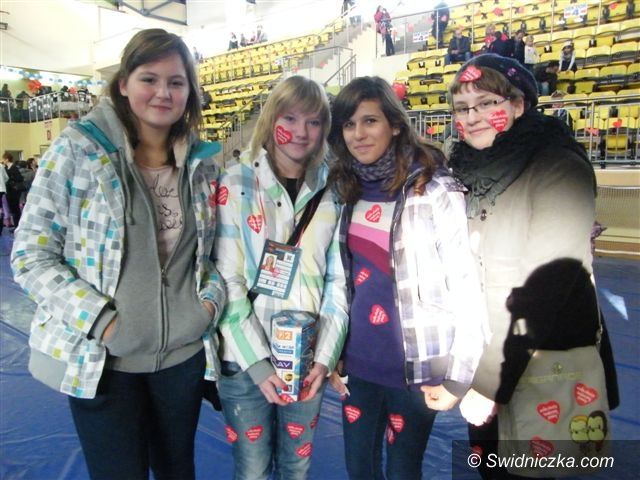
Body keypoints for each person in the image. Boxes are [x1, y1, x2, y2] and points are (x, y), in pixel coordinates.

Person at [11, 28, 226, 479]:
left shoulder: (202, 162)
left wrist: (206, 306)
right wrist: (102, 322)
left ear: (190, 92)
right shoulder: (77, 149)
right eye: (149, 79)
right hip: (103, 361)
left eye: (176, 82)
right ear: (124, 83)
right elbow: (31, 254)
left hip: (181, 360)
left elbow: (212, 255)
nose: (163, 93)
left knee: (177, 471)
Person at [446, 54, 618, 479]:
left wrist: (489, 384)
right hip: (486, 353)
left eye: (487, 103)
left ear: (519, 104)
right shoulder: (465, 170)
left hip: (537, 359)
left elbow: (544, 289)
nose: (473, 116)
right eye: (462, 108)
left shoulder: (557, 165)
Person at [327, 76, 487, 480]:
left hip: (416, 368)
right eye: (349, 124)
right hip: (359, 366)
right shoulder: (347, 190)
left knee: (402, 471)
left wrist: (460, 374)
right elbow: (343, 284)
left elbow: (466, 283)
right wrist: (331, 351)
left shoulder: (434, 188)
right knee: (359, 469)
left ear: (395, 125)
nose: (358, 134)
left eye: (370, 121)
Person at [213, 75, 348, 479]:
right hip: (244, 361)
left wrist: (324, 358)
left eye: (313, 121)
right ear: (272, 119)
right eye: (290, 118)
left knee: (296, 468)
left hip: (307, 360)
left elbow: (338, 283)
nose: (301, 132)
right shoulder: (235, 182)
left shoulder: (333, 189)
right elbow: (227, 279)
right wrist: (257, 362)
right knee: (252, 471)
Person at [1, 151, 24, 228]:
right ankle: (16, 226)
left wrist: (11, 180)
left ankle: (17, 226)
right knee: (12, 209)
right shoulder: (6, 168)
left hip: (14, 191)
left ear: (7, 159)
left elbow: (20, 178)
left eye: (3, 159)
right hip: (9, 191)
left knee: (15, 209)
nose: (3, 161)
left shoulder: (14, 168)